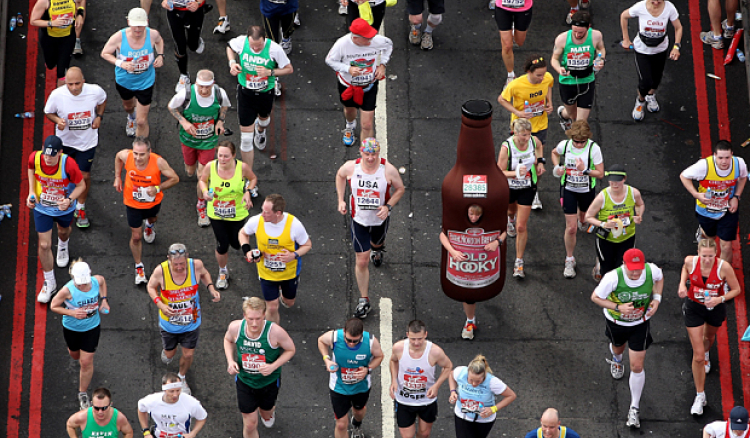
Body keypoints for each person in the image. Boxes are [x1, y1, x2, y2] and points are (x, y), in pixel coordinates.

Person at [590, 248, 663, 429]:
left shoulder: (651, 270)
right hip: (617, 322)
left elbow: (659, 279)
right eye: (632, 269)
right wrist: (618, 306)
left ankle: (634, 408)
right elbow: (596, 297)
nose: (636, 273)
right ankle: (616, 359)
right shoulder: (613, 278)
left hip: (640, 322)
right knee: (618, 348)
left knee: (637, 366)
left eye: (638, 268)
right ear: (624, 265)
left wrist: (657, 299)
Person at [336, 138, 406, 318]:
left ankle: (378, 250)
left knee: (377, 244)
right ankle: (364, 299)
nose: (370, 158)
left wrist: (388, 206)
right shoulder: (352, 167)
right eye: (367, 154)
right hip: (358, 220)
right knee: (362, 260)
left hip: (379, 220)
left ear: (378, 153)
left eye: (373, 154)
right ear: (361, 153)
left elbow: (400, 189)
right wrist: (341, 200)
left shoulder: (388, 170)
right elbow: (340, 175)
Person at [147, 243, 221, 395]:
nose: (180, 267)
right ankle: (168, 351)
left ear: (187, 257)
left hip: (191, 322)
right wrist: (160, 304)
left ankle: (181, 377)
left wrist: (211, 288)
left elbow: (205, 274)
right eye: (176, 264)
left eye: (182, 263)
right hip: (170, 324)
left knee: (188, 354)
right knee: (169, 355)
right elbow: (150, 287)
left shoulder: (196, 265)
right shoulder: (161, 271)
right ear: (169, 259)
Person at [678, 238, 741, 415]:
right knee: (697, 356)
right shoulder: (691, 261)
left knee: (709, 337)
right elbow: (685, 268)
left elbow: (736, 290)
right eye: (704, 256)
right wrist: (682, 284)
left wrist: (719, 299)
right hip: (694, 307)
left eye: (711, 256)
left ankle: (706, 351)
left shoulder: (724, 268)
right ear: (698, 253)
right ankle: (700, 395)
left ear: (716, 254)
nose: (707, 260)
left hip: (715, 307)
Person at [223, 297, 296, 438]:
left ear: (264, 315)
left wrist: (273, 366)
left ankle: (269, 412)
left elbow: (291, 350)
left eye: (258, 318)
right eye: (250, 319)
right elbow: (228, 339)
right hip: (245, 381)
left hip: (268, 382)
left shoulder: (275, 332)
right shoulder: (235, 328)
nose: (254, 323)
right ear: (244, 316)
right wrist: (230, 360)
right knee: (250, 424)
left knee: (266, 413)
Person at [44, 67, 107, 228]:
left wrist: (99, 117)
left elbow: (103, 100)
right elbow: (48, 112)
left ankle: (80, 207)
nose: (73, 87)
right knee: (64, 175)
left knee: (84, 175)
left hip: (87, 143)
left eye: (77, 83)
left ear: (83, 81)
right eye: (70, 84)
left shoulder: (95, 91)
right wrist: (57, 120)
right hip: (64, 143)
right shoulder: (57, 95)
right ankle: (63, 200)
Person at [168, 69, 232, 226]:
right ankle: (194, 170)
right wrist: (184, 122)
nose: (204, 90)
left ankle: (201, 205)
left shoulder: (219, 93)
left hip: (209, 141)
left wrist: (220, 121)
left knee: (202, 175)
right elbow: (171, 107)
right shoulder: (186, 94)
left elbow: (224, 106)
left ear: (213, 84)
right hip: (188, 140)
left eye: (207, 87)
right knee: (190, 170)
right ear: (196, 84)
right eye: (201, 87)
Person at [27, 135, 86, 303]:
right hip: (42, 207)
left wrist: (69, 200)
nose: (48, 158)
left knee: (63, 231)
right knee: (44, 244)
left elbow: (81, 185)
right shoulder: (35, 157)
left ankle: (63, 245)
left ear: (60, 153)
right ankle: (49, 282)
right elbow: (31, 168)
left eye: (53, 155)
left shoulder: (69, 164)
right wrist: (31, 191)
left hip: (63, 209)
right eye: (46, 154)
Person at [114, 137, 179, 284]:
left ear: (149, 152)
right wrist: (118, 177)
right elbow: (118, 156)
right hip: (132, 204)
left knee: (152, 218)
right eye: (136, 153)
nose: (138, 158)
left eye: (142, 154)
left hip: (152, 203)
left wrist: (157, 188)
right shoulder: (127, 155)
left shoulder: (158, 162)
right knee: (136, 236)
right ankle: (139, 266)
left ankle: (149, 226)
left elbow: (175, 178)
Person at [226, 25, 293, 169]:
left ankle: (260, 130)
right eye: (252, 47)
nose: (255, 50)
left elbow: (289, 69)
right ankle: (248, 176)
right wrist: (232, 63)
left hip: (265, 93)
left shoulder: (275, 49)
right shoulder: (241, 42)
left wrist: (270, 72)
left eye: (259, 46)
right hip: (245, 93)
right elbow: (229, 47)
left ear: (265, 39)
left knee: (264, 121)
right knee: (245, 139)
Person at [238, 194, 312, 324]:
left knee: (289, 303)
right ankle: (273, 336)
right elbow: (243, 233)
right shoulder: (256, 221)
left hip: (289, 273)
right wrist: (247, 251)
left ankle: (283, 296)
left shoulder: (294, 224)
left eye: (266, 212)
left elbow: (307, 245)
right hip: (266, 273)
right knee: (272, 307)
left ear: (278, 213)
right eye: (262, 210)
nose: (262, 214)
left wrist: (293, 255)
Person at [439, 205, 506, 339]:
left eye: (477, 215)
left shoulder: (491, 219)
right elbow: (443, 234)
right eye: (471, 214)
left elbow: (504, 232)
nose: (474, 218)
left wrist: (497, 242)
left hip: (482, 263)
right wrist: (452, 251)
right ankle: (470, 321)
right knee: (468, 295)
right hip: (465, 266)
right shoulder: (457, 219)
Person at [50, 260, 109, 410]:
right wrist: (72, 313)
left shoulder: (96, 281)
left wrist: (104, 301)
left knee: (85, 362)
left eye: (84, 283)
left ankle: (82, 393)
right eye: (79, 283)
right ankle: (76, 354)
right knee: (74, 355)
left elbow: (102, 283)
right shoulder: (67, 290)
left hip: (92, 327)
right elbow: (54, 306)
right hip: (72, 328)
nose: (82, 286)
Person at [498, 54, 554, 211]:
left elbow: (549, 85)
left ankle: (533, 189)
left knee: (538, 161)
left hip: (540, 125)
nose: (542, 78)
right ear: (529, 71)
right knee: (518, 158)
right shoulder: (516, 84)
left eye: (543, 74)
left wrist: (549, 103)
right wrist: (518, 112)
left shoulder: (547, 78)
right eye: (538, 75)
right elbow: (501, 99)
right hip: (520, 127)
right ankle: (513, 186)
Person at [199, 141, 257, 290]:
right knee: (222, 245)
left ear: (233, 155)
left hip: (237, 213)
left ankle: (240, 246)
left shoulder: (242, 167)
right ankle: (223, 271)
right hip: (216, 213)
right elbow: (202, 180)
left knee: (236, 244)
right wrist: (205, 191)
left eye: (226, 156)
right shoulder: (211, 167)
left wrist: (247, 191)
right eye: (220, 155)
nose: (223, 159)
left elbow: (253, 179)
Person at [326, 19, 393, 147]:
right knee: (350, 111)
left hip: (369, 86)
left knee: (367, 124)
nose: (370, 41)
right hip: (348, 86)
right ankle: (350, 126)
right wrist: (348, 69)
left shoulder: (377, 40)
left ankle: (365, 156)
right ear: (356, 38)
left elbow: (389, 45)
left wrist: (383, 64)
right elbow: (330, 61)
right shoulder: (342, 44)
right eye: (367, 39)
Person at [550, 120, 604, 278]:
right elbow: (554, 153)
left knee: (584, 216)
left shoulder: (594, 149)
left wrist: (585, 170)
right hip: (568, 189)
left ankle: (582, 219)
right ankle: (569, 259)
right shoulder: (565, 146)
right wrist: (557, 167)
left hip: (586, 189)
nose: (580, 145)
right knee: (571, 227)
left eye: (583, 141)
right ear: (571, 137)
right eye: (577, 142)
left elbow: (600, 173)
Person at [100, 8, 164, 138]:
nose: (138, 30)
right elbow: (105, 53)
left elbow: (159, 41)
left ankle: (141, 147)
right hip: (125, 81)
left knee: (141, 121)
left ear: (147, 22)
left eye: (141, 26)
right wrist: (121, 63)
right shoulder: (119, 37)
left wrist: (161, 55)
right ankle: (130, 117)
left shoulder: (152, 34)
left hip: (146, 81)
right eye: (135, 26)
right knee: (128, 107)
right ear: (129, 22)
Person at [680, 140, 746, 265]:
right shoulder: (703, 166)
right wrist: (696, 194)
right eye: (720, 158)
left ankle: (723, 277)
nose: (724, 161)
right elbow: (683, 176)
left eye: (727, 157)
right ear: (714, 155)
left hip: (727, 209)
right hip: (706, 210)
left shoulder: (739, 164)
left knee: (726, 245)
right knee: (710, 237)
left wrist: (736, 197)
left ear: (732, 154)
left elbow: (743, 177)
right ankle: (703, 232)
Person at [318, 318, 385, 438]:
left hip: (361, 387)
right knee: (341, 425)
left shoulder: (370, 341)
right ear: (344, 331)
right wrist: (326, 359)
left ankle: (357, 424)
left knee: (358, 412)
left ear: (361, 335)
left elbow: (379, 356)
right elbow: (321, 341)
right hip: (339, 387)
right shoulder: (334, 337)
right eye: (348, 340)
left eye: (356, 341)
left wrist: (367, 369)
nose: (351, 343)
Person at [497, 118, 545, 279]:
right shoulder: (507, 147)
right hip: (509, 187)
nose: (526, 138)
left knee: (521, 227)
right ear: (515, 133)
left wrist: (540, 162)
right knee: (511, 211)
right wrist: (515, 173)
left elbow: (539, 146)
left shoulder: (533, 140)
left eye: (528, 134)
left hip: (527, 186)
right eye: (523, 135)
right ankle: (509, 219)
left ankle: (519, 262)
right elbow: (498, 171)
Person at [620, 0, 682, 121]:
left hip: (660, 49)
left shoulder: (669, 8)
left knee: (656, 79)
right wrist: (625, 39)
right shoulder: (640, 7)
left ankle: (650, 95)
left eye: (659, 0)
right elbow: (623, 16)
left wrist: (676, 47)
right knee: (646, 81)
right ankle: (640, 101)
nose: (656, 3)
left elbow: (678, 27)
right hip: (642, 50)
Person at [389, 320, 452, 438]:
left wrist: (436, 386)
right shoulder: (399, 348)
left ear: (425, 335)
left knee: (424, 434)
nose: (416, 342)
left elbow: (448, 366)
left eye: (420, 339)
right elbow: (393, 361)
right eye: (413, 339)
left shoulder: (435, 351)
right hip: (404, 400)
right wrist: (393, 380)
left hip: (426, 400)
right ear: (407, 335)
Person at [584, 164, 645, 281]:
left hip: (627, 237)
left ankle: (616, 294)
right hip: (606, 239)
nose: (615, 184)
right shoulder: (602, 197)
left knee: (622, 268)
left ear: (624, 179)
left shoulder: (633, 193)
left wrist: (639, 215)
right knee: (607, 270)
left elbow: (640, 204)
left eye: (618, 181)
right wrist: (603, 224)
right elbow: (588, 217)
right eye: (612, 181)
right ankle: (601, 269)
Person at [550, 11, 605, 130]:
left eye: (581, 32)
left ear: (588, 27)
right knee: (572, 115)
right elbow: (554, 59)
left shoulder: (596, 36)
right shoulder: (562, 39)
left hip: (587, 80)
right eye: (574, 31)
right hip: (567, 81)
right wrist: (559, 69)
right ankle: (563, 115)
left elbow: (601, 49)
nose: (577, 34)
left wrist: (600, 59)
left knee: (580, 123)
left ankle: (574, 145)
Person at [448, 355, 517, 438]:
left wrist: (493, 409)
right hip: (462, 415)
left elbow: (511, 396)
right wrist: (453, 392)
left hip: (483, 420)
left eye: (478, 381)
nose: (474, 384)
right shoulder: (460, 372)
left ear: (484, 375)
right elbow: (451, 376)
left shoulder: (493, 382)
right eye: (470, 380)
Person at [137, 372, 208, 437]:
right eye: (171, 391)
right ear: (164, 390)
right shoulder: (152, 401)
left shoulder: (191, 402)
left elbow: (202, 417)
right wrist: (146, 432)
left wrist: (193, 433)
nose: (175, 395)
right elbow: (141, 410)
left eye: (178, 390)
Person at [30, 0, 80, 87]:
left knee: (62, 71)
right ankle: (50, 63)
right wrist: (52, 23)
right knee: (50, 64)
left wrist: (80, 15)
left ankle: (60, 95)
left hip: (67, 38)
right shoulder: (45, 1)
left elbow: (80, 4)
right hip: (49, 39)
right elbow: (33, 21)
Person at [161, 0, 207, 92]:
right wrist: (165, 2)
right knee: (180, 47)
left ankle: (196, 41)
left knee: (193, 46)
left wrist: (198, 3)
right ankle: (184, 75)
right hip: (174, 11)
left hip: (194, 11)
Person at [491, 0, 532, 88]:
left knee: (519, 42)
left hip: (523, 8)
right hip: (503, 8)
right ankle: (511, 75)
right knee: (507, 46)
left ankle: (512, 30)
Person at [65, 387, 134, 438]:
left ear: (110, 404)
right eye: (96, 408)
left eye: (104, 408)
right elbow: (70, 425)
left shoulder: (118, 418)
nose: (100, 412)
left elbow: (128, 433)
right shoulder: (83, 417)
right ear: (92, 404)